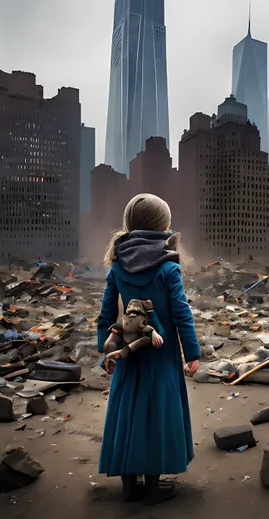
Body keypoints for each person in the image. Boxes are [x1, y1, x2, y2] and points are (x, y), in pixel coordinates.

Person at [96, 193, 200, 505]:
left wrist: (106, 351)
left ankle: (129, 487)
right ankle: (152, 488)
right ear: (163, 226)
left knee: (127, 412)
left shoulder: (117, 266)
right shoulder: (169, 267)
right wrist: (192, 353)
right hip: (162, 354)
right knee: (159, 415)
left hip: (127, 356)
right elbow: (181, 313)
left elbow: (104, 314)